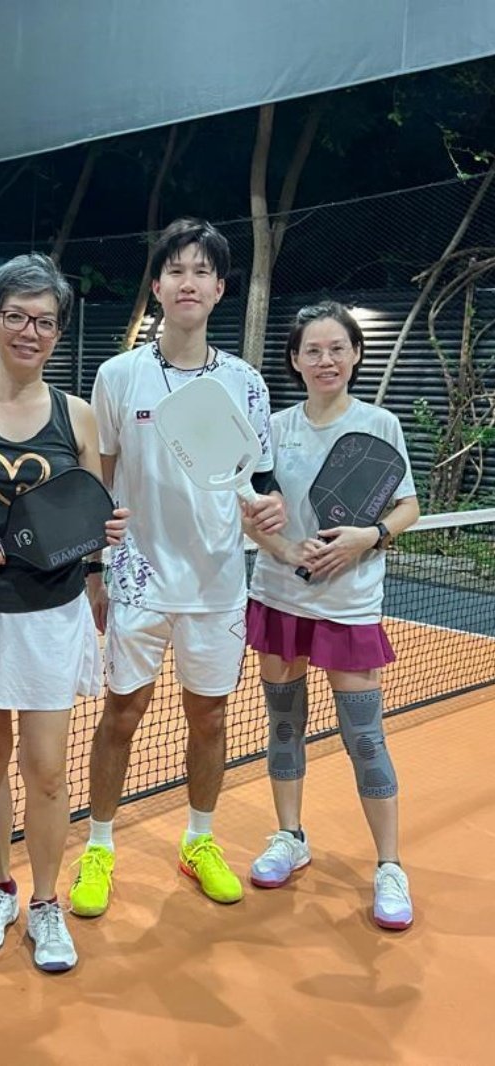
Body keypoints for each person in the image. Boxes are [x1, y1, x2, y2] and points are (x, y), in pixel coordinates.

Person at [69, 218, 285, 919]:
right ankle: (99, 846)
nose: (188, 282)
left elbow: (257, 481)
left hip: (217, 584)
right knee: (121, 715)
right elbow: (99, 480)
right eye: (176, 270)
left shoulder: (245, 382)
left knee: (209, 718)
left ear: (220, 289)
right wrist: (94, 571)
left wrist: (267, 510)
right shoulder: (118, 376)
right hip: (137, 578)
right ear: (157, 286)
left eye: (202, 271)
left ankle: (199, 840)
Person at [0, 253, 127, 973]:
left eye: (44, 321)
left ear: (58, 333)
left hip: (50, 614)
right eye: (15, 316)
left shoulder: (77, 416)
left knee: (45, 770)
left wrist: (104, 541)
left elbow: (90, 511)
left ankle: (45, 903)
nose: (29, 331)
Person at [243, 302, 420, 929]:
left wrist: (369, 536)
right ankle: (290, 836)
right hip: (280, 599)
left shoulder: (380, 424)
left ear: (355, 355)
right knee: (284, 726)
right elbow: (251, 512)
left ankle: (390, 866)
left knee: (364, 737)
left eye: (337, 348)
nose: (326, 360)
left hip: (349, 607)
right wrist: (284, 548)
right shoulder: (272, 428)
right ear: (295, 360)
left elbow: (407, 505)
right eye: (313, 350)